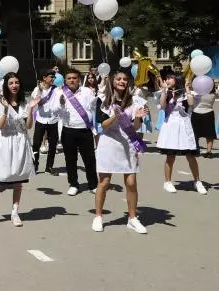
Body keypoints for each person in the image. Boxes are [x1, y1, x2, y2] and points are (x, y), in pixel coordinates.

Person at [92, 71, 149, 234]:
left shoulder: (135, 101)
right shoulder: (102, 101)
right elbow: (102, 126)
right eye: (118, 79)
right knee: (104, 182)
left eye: (125, 79)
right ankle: (98, 216)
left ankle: (132, 218)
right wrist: (115, 116)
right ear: (112, 81)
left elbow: (136, 128)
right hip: (108, 144)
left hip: (128, 144)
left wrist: (137, 118)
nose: (122, 81)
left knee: (131, 183)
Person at [0, 72, 40, 228]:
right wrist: (6, 108)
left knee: (18, 180)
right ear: (6, 86)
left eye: (16, 82)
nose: (14, 85)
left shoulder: (24, 103)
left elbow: (28, 126)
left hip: (20, 142)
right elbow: (0, 126)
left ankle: (15, 212)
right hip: (5, 143)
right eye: (11, 83)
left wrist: (31, 110)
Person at [157, 74, 207, 195]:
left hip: (185, 126)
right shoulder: (166, 93)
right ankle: (167, 182)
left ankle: (197, 181)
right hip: (170, 127)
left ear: (177, 80)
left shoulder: (187, 93)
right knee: (170, 156)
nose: (167, 80)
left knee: (191, 156)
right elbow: (162, 106)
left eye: (170, 78)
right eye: (166, 78)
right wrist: (164, 91)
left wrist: (187, 88)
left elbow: (191, 103)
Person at [57, 70, 98, 196]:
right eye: (69, 78)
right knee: (70, 159)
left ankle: (93, 184)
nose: (71, 80)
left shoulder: (87, 91)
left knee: (89, 159)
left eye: (74, 78)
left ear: (79, 79)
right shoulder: (59, 92)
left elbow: (94, 108)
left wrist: (96, 129)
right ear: (65, 80)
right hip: (68, 130)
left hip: (85, 130)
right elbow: (55, 113)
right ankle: (73, 184)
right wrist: (61, 104)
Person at [30, 69, 60, 174]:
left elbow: (61, 99)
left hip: (53, 120)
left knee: (52, 145)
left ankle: (49, 167)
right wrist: (39, 90)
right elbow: (34, 99)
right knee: (36, 144)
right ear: (44, 78)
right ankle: (35, 164)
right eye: (51, 77)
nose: (53, 79)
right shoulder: (37, 89)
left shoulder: (56, 90)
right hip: (40, 120)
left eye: (54, 77)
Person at [191, 83, 216, 158]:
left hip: (196, 113)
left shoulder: (196, 93)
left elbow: (191, 103)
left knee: (195, 133)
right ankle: (209, 151)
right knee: (209, 134)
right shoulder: (213, 94)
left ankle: (196, 149)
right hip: (209, 113)